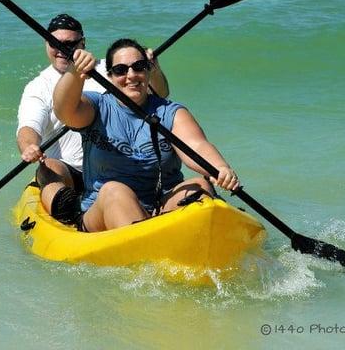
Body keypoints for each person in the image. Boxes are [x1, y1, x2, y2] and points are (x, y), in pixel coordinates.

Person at [52, 38, 240, 232]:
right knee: (115, 191)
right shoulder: (97, 106)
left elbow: (197, 146)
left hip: (161, 206)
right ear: (109, 76)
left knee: (200, 185)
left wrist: (219, 168)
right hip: (102, 210)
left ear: (149, 70)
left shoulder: (170, 112)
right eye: (121, 70)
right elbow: (63, 110)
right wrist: (75, 72)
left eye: (139, 67)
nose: (131, 75)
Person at [16, 14, 169, 220]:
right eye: (55, 43)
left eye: (70, 44)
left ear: (83, 42)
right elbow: (28, 128)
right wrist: (29, 147)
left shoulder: (116, 69)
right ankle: (67, 214)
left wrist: (153, 68)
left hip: (115, 167)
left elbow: (160, 95)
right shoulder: (38, 87)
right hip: (71, 172)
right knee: (49, 166)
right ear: (46, 43)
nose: (62, 50)